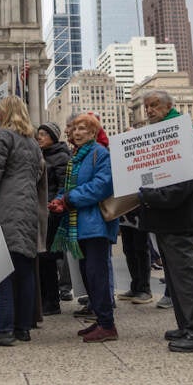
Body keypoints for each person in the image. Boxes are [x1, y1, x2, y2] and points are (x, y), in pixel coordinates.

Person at [139, 90, 193, 353]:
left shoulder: (183, 131)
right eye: (146, 106)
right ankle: (186, 325)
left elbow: (187, 177)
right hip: (164, 214)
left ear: (169, 105)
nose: (149, 110)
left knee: (186, 276)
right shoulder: (159, 132)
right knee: (175, 276)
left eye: (154, 105)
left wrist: (153, 195)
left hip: (178, 214)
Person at [0, 96, 42, 347]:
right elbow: (37, 175)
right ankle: (22, 328)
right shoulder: (33, 143)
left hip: (7, 208)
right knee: (24, 271)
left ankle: (4, 330)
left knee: (1, 272)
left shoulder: (3, 136)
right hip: (28, 208)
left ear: (5, 113)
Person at [49, 113, 119, 343]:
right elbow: (69, 186)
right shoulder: (77, 157)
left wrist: (69, 199)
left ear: (93, 133)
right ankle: (100, 319)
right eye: (75, 129)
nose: (77, 133)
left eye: (83, 129)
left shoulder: (100, 153)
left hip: (96, 224)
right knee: (88, 276)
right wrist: (60, 200)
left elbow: (101, 186)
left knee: (97, 274)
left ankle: (108, 325)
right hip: (79, 224)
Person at [37, 122, 69, 316]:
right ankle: (45, 299)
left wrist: (52, 203)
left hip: (52, 213)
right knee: (42, 258)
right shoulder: (41, 155)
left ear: (53, 137)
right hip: (41, 212)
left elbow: (64, 185)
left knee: (48, 257)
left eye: (43, 134)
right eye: (38, 134)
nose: (39, 137)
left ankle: (52, 301)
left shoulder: (60, 156)